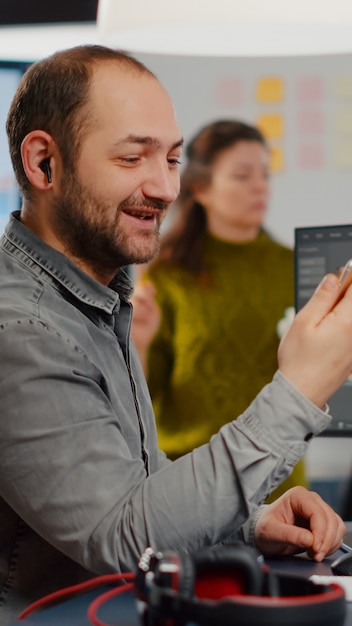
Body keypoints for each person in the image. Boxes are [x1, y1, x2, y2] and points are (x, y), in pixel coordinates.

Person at [0, 44, 351, 623]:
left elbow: (136, 481)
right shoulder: (22, 329)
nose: (165, 188)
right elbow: (122, 538)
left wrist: (252, 522)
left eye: (171, 159)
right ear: (43, 164)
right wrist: (301, 388)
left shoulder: (99, 297)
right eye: (133, 158)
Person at [131, 120, 306, 502]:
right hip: (187, 487)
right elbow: (141, 399)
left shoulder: (294, 267)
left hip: (280, 486)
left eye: (265, 174)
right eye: (243, 175)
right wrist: (138, 343)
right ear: (202, 188)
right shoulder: (164, 275)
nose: (260, 186)